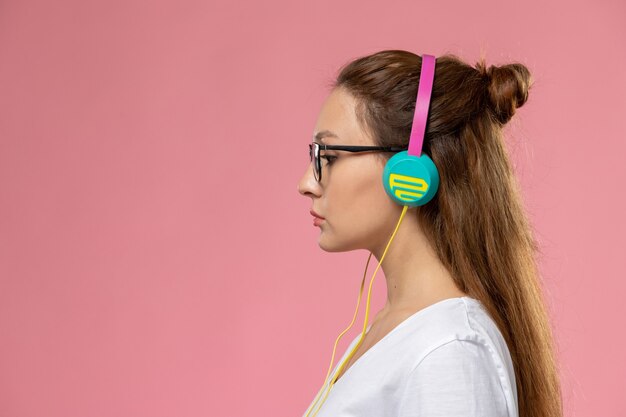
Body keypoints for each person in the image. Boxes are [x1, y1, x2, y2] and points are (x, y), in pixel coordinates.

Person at [297, 50, 563, 417]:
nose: (306, 184)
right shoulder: (400, 330)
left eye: (327, 156)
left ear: (409, 172)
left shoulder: (448, 351)